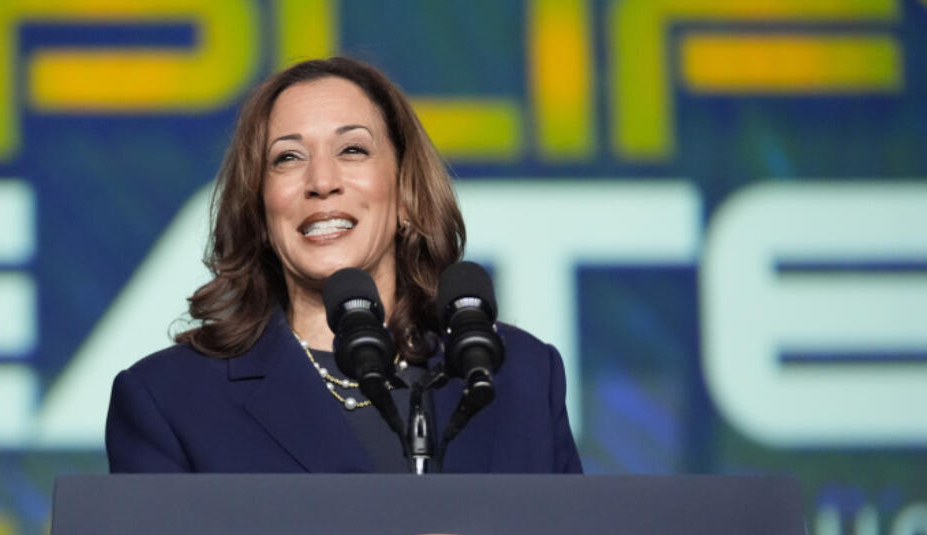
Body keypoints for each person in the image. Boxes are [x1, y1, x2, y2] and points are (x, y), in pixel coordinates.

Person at [105, 57, 581, 474]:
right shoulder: (171, 400)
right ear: (260, 208)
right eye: (287, 158)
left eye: (352, 149)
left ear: (405, 193)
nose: (322, 181)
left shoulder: (520, 376)